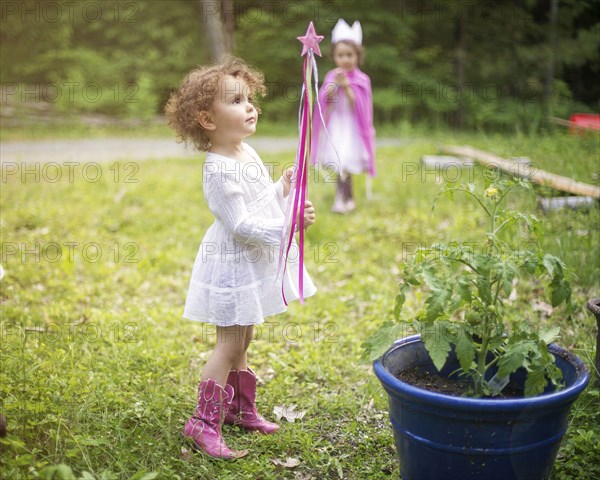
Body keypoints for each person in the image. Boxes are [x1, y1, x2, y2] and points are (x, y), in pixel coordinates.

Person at [165, 57, 317, 459]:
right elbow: (242, 225)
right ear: (207, 119)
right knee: (229, 342)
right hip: (232, 263)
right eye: (236, 100)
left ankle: (237, 408)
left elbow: (260, 200)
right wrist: (290, 228)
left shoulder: (244, 151)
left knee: (244, 335)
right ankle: (202, 421)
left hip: (249, 263)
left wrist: (282, 188)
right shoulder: (218, 169)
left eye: (250, 98)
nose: (249, 106)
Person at [312, 19, 376, 214]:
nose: (345, 59)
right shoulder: (332, 75)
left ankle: (346, 198)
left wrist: (347, 87)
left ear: (357, 55)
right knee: (339, 162)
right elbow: (324, 99)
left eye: (349, 55)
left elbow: (360, 105)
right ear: (334, 57)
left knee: (347, 162)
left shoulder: (362, 79)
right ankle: (344, 198)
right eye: (340, 55)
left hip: (353, 127)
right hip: (336, 126)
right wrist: (335, 85)